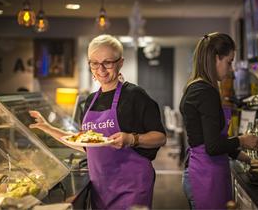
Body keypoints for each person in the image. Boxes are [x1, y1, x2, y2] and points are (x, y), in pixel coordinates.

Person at [29, 34, 167, 209]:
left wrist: (132, 139)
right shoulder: (90, 100)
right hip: (101, 186)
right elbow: (86, 144)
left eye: (107, 62)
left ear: (120, 62)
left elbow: (160, 137)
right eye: (94, 63)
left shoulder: (135, 95)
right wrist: (47, 128)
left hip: (132, 185)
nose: (100, 69)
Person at [180, 32, 258, 209]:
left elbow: (208, 139)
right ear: (216, 58)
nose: (231, 69)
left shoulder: (194, 86)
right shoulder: (206, 92)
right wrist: (242, 140)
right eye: (229, 62)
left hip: (201, 170)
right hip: (206, 176)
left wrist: (248, 160)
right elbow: (213, 146)